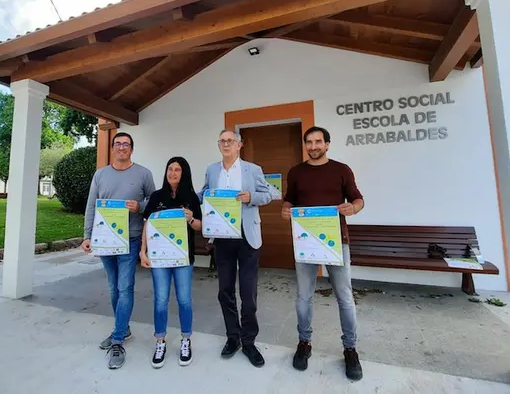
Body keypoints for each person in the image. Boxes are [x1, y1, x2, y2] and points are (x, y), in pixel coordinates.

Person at [281, 126, 364, 381]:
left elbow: (358, 199)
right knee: (303, 297)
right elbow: (289, 200)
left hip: (337, 242)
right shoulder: (295, 172)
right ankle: (304, 343)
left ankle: (350, 349)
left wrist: (353, 208)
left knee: (345, 297)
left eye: (318, 142)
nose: (313, 146)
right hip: (306, 243)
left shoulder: (342, 170)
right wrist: (285, 209)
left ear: (327, 144)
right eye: (309, 142)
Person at [81, 132, 156, 369]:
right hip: (105, 240)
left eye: (126, 144)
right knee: (114, 288)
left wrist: (140, 206)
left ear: (132, 149)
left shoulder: (143, 174)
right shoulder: (100, 174)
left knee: (125, 287)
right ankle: (123, 329)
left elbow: (154, 204)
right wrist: (87, 235)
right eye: (118, 144)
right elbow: (91, 205)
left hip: (131, 240)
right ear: (113, 148)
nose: (122, 147)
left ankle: (117, 341)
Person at [199, 129, 272, 367]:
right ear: (218, 145)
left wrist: (251, 196)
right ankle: (233, 337)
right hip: (222, 237)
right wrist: (186, 198)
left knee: (248, 294)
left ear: (240, 145)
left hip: (247, 237)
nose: (226, 144)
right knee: (225, 291)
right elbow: (204, 193)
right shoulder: (212, 170)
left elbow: (270, 193)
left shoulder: (253, 169)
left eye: (230, 141)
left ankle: (249, 341)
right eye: (222, 141)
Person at [140, 157, 203, 369]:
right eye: (170, 169)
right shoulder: (157, 196)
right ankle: (160, 341)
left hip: (183, 259)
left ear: (184, 173)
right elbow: (147, 224)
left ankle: (186, 339)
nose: (173, 173)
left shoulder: (192, 197)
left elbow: (200, 227)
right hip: (159, 259)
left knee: (184, 300)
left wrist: (191, 219)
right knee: (160, 300)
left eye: (177, 170)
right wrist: (143, 251)